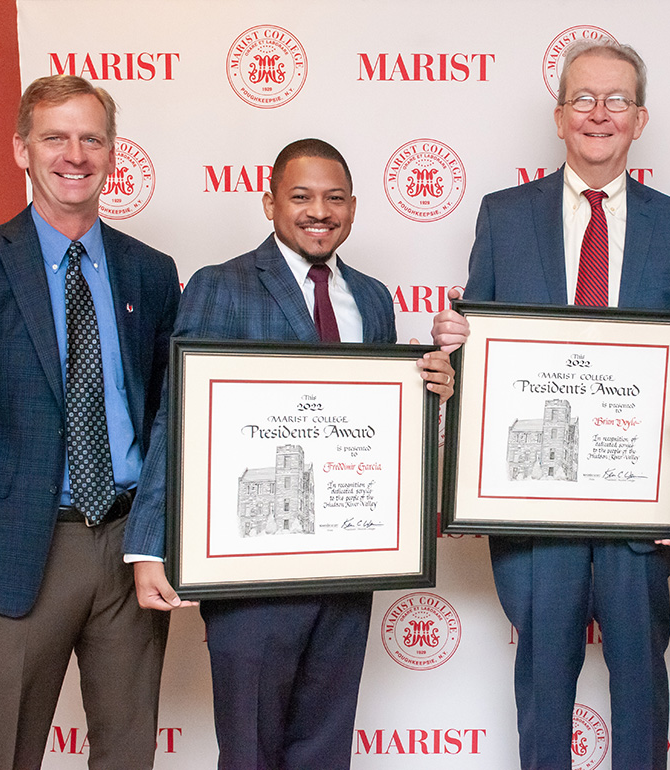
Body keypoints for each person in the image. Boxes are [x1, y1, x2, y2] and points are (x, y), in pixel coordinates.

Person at [123, 137, 455, 769]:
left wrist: (430, 388)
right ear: (270, 201)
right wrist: (149, 543)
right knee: (249, 747)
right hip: (250, 570)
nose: (318, 211)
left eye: (334, 198)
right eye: (300, 196)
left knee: (325, 744)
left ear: (353, 208)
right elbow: (178, 416)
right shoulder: (220, 287)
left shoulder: (374, 299)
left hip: (351, 563)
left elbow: (381, 425)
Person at [431, 39, 670, 769]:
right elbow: (484, 360)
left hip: (640, 514)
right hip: (534, 516)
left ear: (640, 118)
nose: (599, 114)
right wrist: (457, 347)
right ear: (559, 116)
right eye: (583, 99)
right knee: (543, 692)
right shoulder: (503, 215)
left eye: (616, 100)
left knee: (642, 692)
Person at [0, 75, 179, 769]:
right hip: (16, 547)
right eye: (55, 137)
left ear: (114, 153)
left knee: (127, 749)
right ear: (22, 150)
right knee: (5, 752)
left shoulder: (150, 272)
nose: (74, 154)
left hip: (128, 550)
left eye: (92, 138)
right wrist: (4, 494)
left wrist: (150, 524)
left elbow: (166, 408)